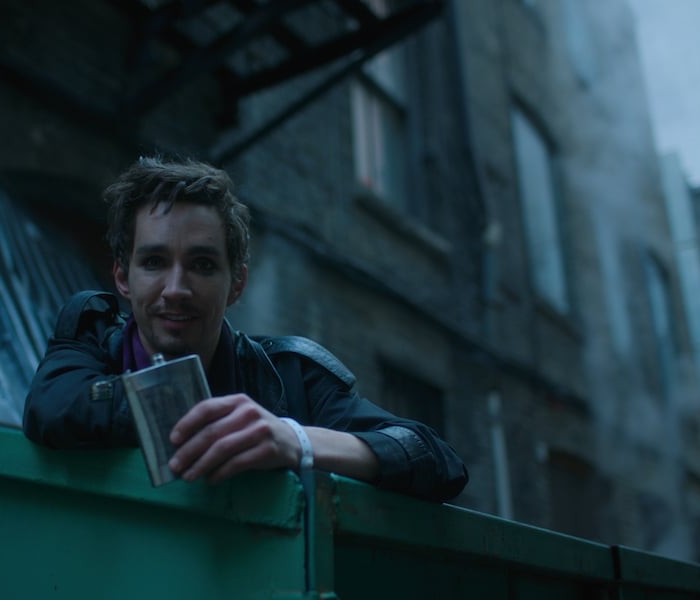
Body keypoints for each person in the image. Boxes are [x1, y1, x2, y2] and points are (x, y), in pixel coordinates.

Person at [23, 156, 468, 502]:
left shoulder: (292, 376)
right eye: (155, 262)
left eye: (202, 265)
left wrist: (292, 439)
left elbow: (436, 459)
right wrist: (192, 410)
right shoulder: (91, 335)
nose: (176, 289)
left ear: (237, 283)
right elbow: (50, 408)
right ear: (123, 277)